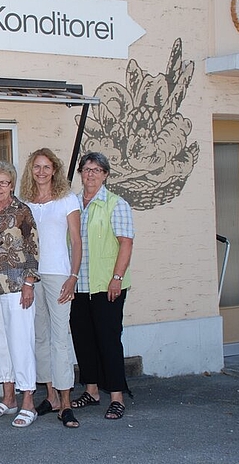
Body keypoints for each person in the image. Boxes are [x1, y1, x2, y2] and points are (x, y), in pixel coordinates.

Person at [69, 151, 134, 421]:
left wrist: (117, 278)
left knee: (108, 341)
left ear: (105, 174)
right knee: (83, 340)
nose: (90, 174)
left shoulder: (116, 204)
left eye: (96, 170)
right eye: (86, 169)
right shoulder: (73, 203)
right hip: (79, 285)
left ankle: (117, 396)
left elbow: (126, 243)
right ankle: (92, 391)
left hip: (107, 285)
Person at [0, 161, 40, 428]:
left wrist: (29, 283)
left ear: (12, 184)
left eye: (3, 182)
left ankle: (28, 401)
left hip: (16, 288)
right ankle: (8, 397)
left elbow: (33, 248)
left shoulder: (23, 211)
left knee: (21, 342)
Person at [21, 148, 82, 428]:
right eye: (37, 167)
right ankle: (52, 395)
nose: (41, 172)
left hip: (59, 274)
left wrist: (73, 275)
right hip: (33, 276)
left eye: (46, 167)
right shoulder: (26, 202)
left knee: (59, 338)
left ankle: (67, 402)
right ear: (31, 171)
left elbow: (77, 241)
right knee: (40, 338)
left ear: (54, 170)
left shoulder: (67, 200)